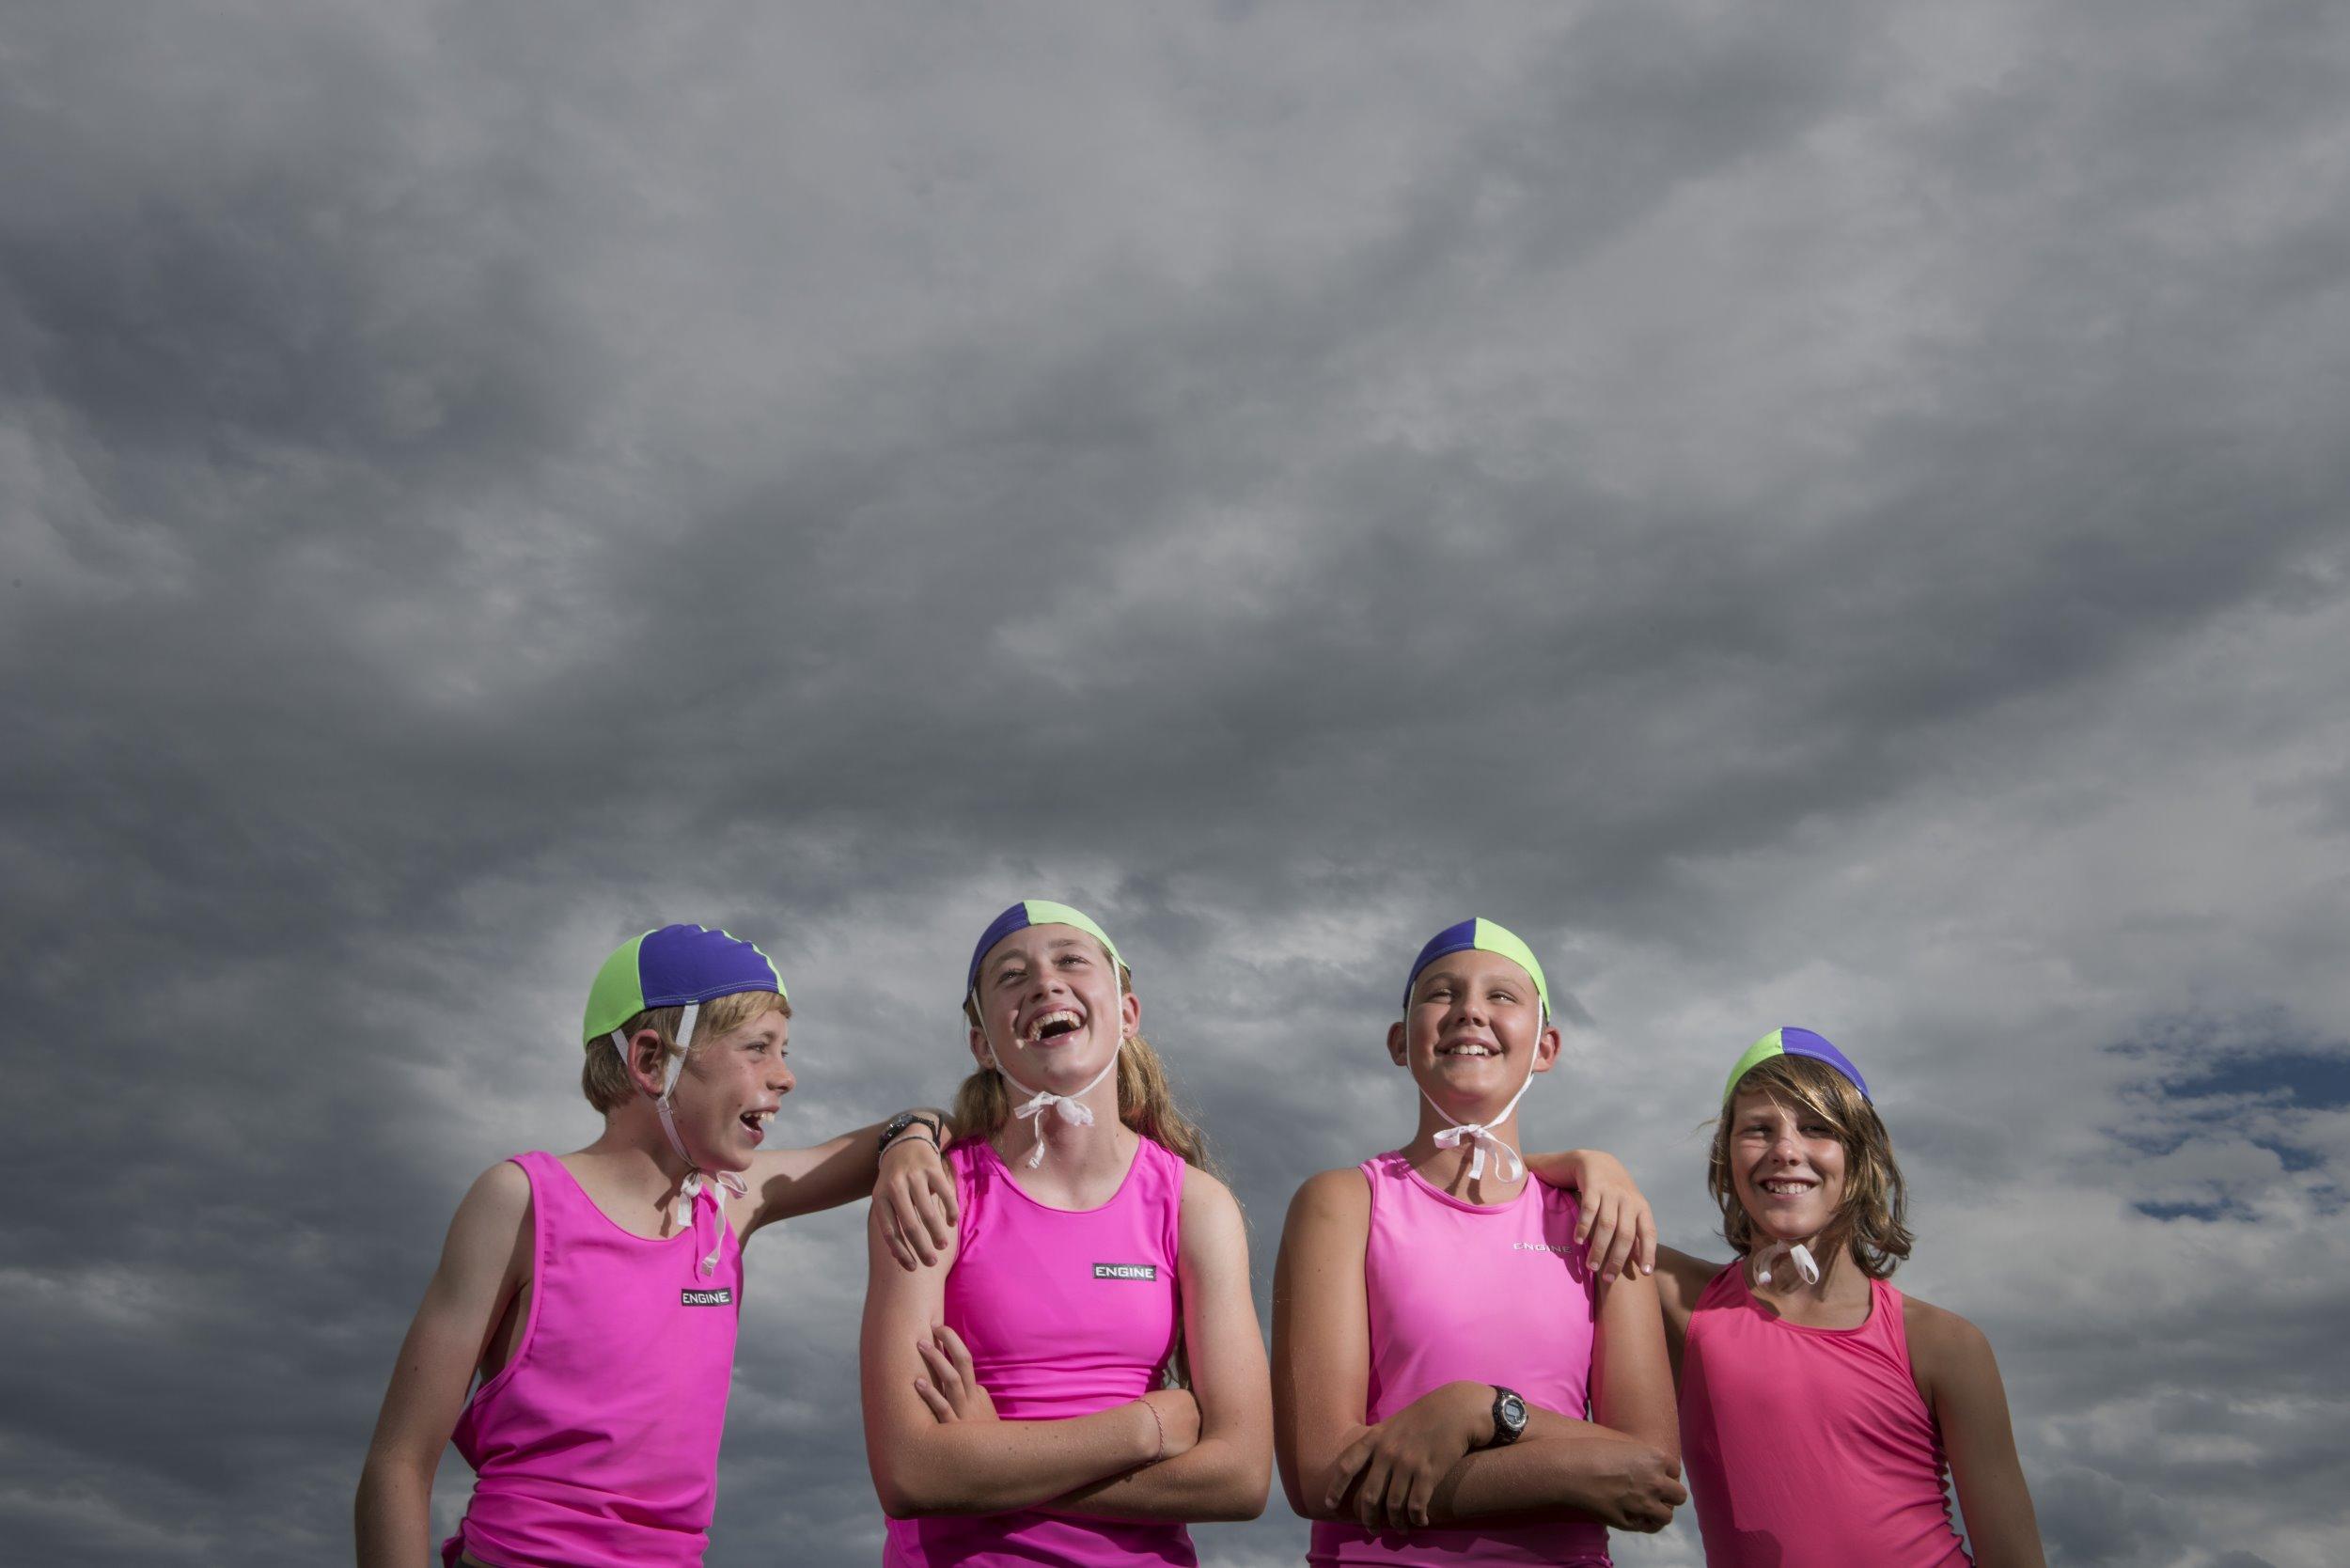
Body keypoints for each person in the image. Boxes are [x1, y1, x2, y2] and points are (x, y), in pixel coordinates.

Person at [355, 923, 960, 1568]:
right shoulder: (519, 1202)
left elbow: (928, 1125)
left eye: (784, 1050)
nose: (785, 1077)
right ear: (651, 1061)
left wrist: (913, 1140)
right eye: (758, 1048)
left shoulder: (732, 1202)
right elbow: (398, 1464)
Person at [861, 899, 1272, 1566]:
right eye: (1012, 976)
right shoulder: (931, 1191)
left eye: (1071, 962)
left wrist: (993, 1458)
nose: (1044, 984)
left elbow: (1241, 1477)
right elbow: (912, 1472)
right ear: (982, 1045)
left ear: (1128, 1015)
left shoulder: (1197, 1205)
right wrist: (1147, 1426)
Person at [1273, 917, 1685, 1566]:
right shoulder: (1342, 1204)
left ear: (1545, 1047)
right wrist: (1566, 1466)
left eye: (1501, 996)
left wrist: (1485, 1412)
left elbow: (1650, 1476)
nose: (1469, 1010)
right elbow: (1322, 1476)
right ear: (1399, 1042)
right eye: (1440, 993)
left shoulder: (1603, 1216)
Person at [1650, 1027, 2046, 1567]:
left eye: (1816, 1129)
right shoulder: (1686, 1303)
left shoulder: (1943, 1343)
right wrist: (1591, 1165)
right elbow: (1543, 1201)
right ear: (1727, 1160)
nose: (1786, 1150)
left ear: (1860, 1157)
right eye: (1759, 1130)